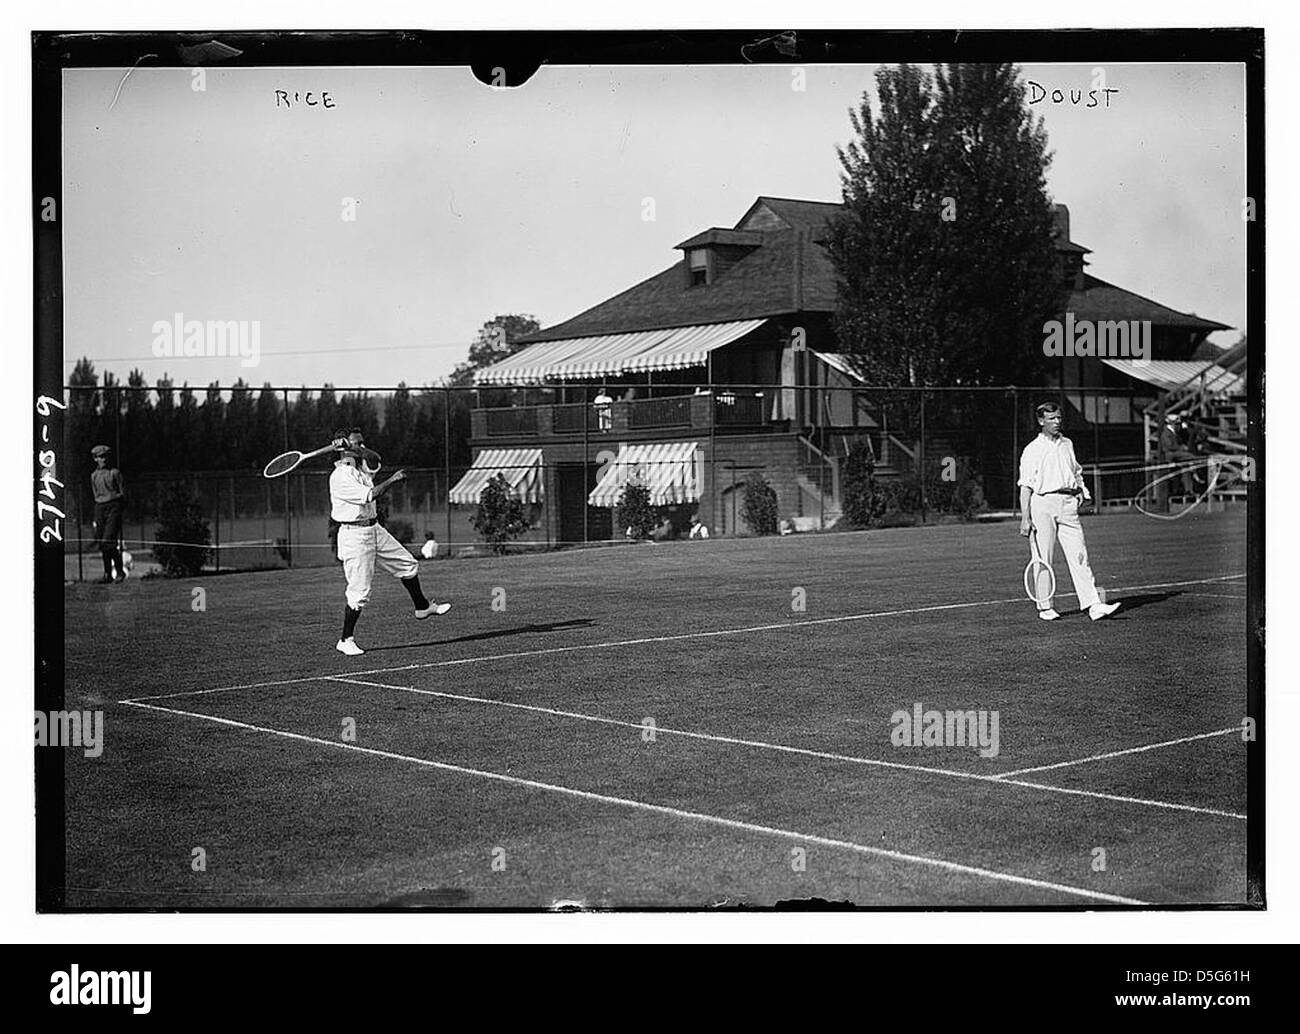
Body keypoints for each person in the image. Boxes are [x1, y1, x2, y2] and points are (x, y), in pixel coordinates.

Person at [329, 428, 450, 656]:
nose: (363, 446)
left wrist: (353, 446)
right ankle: (345, 639)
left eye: (363, 442)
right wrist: (393, 480)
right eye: (358, 443)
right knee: (360, 592)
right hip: (354, 536)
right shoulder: (340, 476)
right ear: (346, 449)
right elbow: (370, 495)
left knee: (408, 565)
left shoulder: (360, 468)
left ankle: (422, 607)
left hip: (374, 528)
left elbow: (375, 459)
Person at [1018, 403, 1120, 622]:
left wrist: (1082, 491)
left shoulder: (1067, 444)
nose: (1057, 422)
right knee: (1043, 557)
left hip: (1068, 505)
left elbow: (1076, 471)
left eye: (1058, 418)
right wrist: (1025, 518)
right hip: (1042, 504)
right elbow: (1025, 486)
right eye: (1052, 418)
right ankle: (1045, 607)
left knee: (1080, 555)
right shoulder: (1032, 449)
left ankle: (1093, 605)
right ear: (1041, 421)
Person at [89, 444, 126, 583]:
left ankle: (120, 571)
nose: (103, 460)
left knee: (108, 539)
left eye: (105, 457)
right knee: (102, 542)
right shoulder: (94, 476)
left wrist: (119, 508)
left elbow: (122, 492)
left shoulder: (114, 473)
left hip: (113, 507)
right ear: (95, 459)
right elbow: (95, 494)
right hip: (100, 507)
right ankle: (108, 573)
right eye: (100, 457)